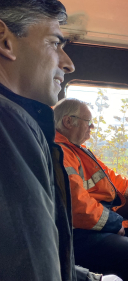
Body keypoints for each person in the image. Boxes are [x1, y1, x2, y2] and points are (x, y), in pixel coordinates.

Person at [0, 1, 121, 280]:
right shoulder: (10, 130)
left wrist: (91, 278)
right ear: (5, 41)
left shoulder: (26, 126)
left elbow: (38, 259)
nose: (68, 63)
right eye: (55, 43)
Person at [53, 98, 128, 281]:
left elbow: (110, 178)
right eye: (88, 122)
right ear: (68, 121)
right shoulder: (61, 153)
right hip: (76, 232)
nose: (92, 127)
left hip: (94, 222)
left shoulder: (79, 151)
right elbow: (77, 204)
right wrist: (114, 223)